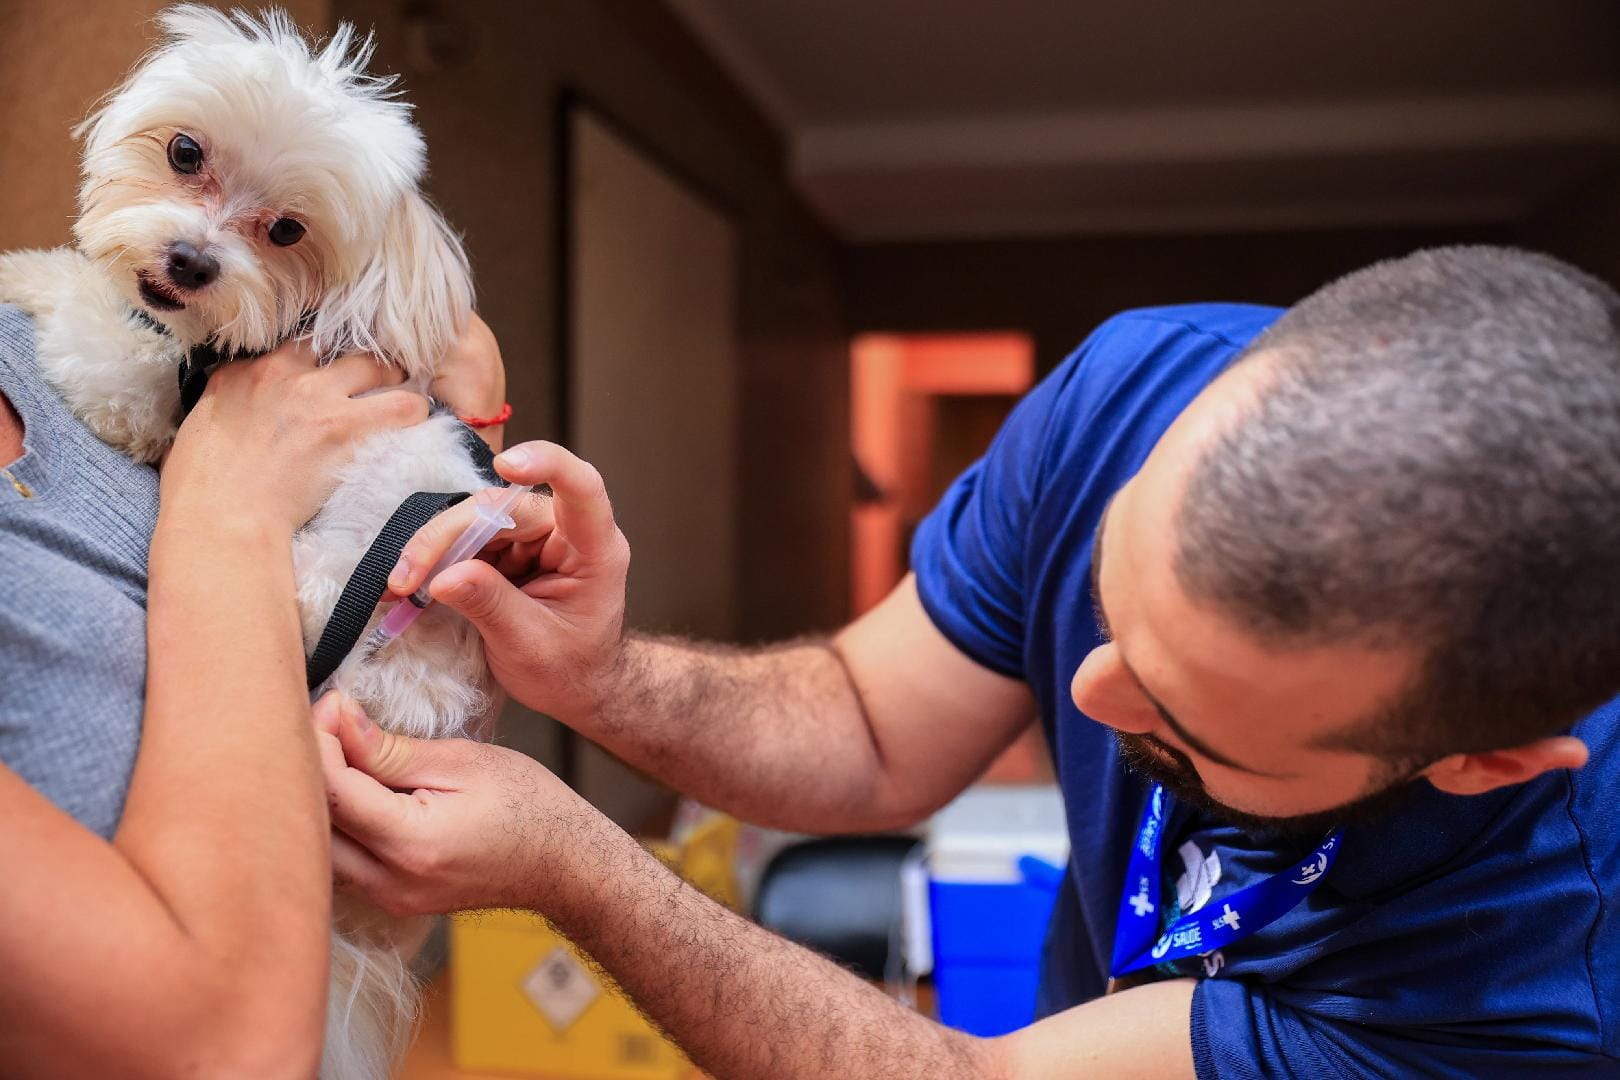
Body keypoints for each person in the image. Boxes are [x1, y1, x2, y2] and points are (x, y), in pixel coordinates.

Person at [320, 245, 1619, 1078]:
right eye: (1111, 600)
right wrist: (597, 678)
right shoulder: (1136, 385)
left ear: (1480, 758)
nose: (1089, 703)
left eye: (1187, 726)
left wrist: (584, 870)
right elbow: (876, 726)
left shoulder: (1531, 980)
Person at [0, 301, 506, 1076]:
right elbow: (231, 1053)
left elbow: (402, 840)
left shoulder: (55, 329)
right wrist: (229, 511)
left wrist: (468, 440)